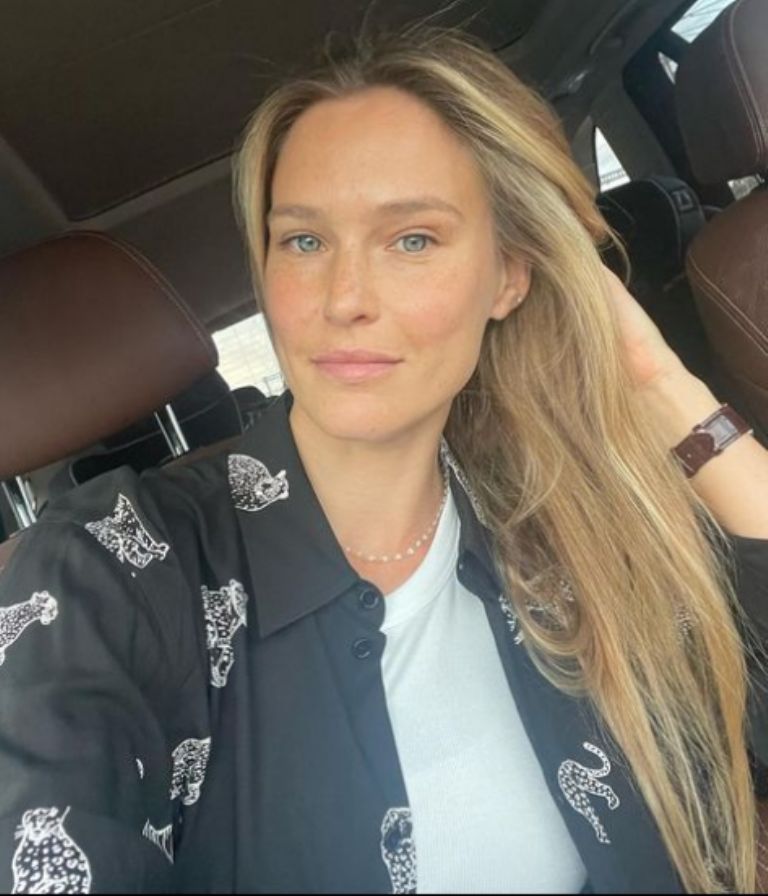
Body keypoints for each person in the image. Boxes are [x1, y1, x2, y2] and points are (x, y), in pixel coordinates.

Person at [1, 26, 767, 895]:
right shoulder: (107, 576)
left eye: (413, 239)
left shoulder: (559, 517)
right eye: (303, 241)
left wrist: (663, 385)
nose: (344, 299)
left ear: (509, 277)